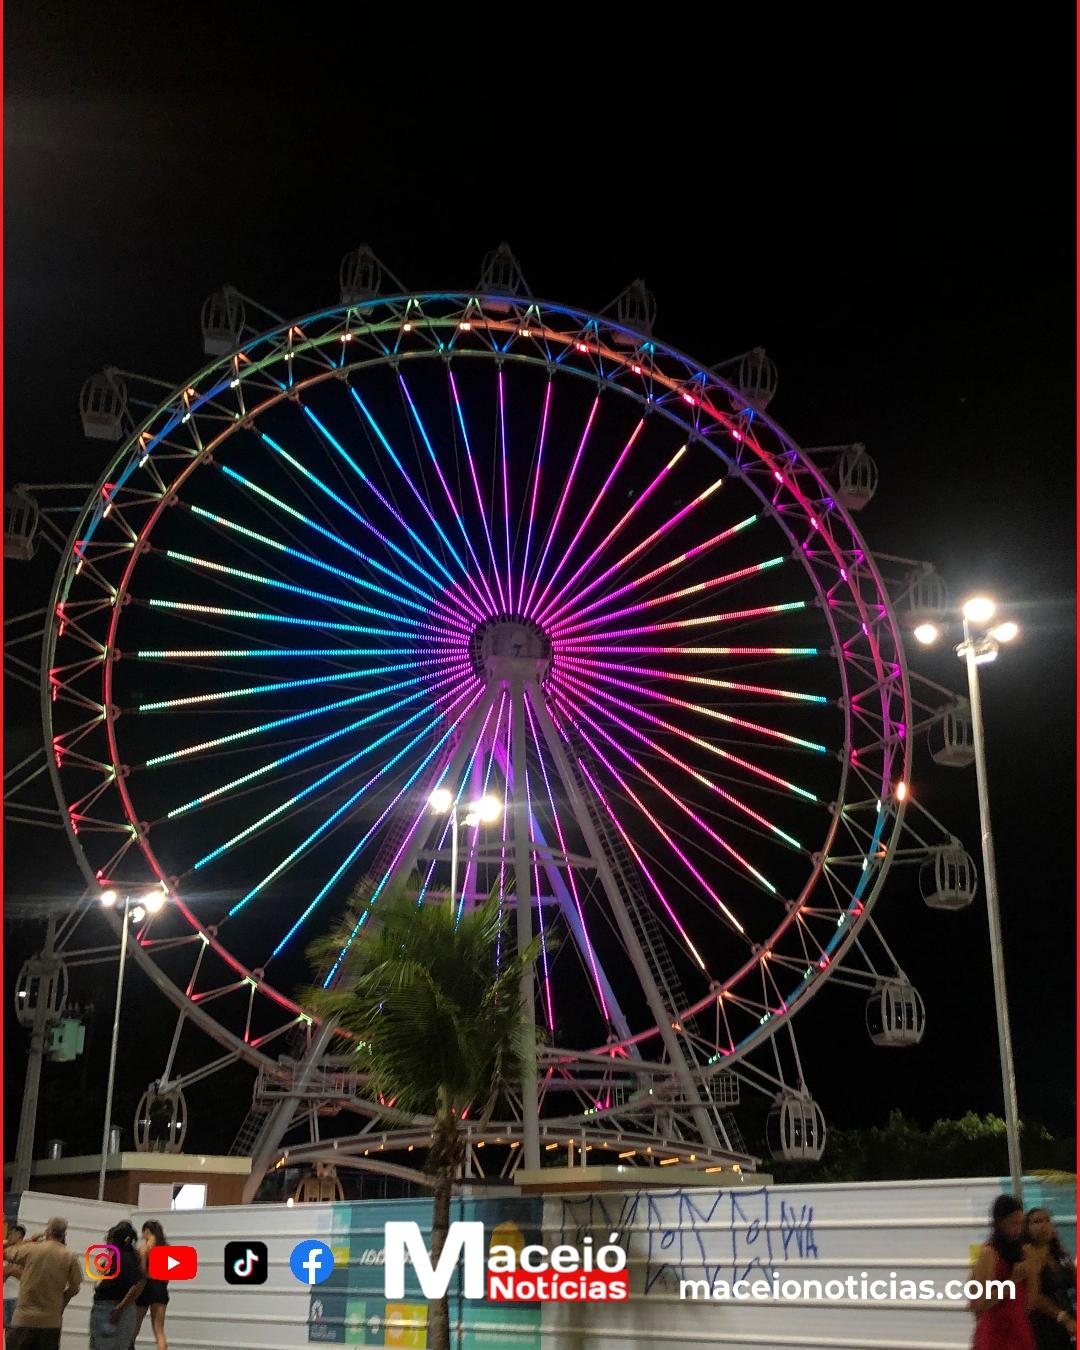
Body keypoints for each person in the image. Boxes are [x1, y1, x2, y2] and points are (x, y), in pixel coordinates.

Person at [970, 1194, 1037, 1350]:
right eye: (1013, 1223)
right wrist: (1012, 1281)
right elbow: (981, 1303)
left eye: (1021, 1224)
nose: (1018, 1230)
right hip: (996, 1331)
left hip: (1018, 1327)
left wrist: (1032, 1272)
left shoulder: (1023, 1251)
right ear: (1000, 1223)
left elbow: (1031, 1302)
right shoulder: (989, 1253)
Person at [4, 1216, 81, 1350]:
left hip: (24, 1320)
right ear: (64, 1234)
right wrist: (61, 1301)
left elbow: (7, 1253)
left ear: (48, 1231)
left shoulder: (31, 1249)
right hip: (51, 1323)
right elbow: (75, 1288)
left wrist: (31, 1240)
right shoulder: (70, 1256)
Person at [1024, 1208, 1077, 1348]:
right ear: (1027, 1228)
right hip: (1044, 1325)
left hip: (1069, 1322)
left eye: (1047, 1220)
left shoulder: (1059, 1254)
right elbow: (1034, 1296)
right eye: (1037, 1221)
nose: (1044, 1225)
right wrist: (1063, 1318)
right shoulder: (1028, 1254)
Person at [89, 1221, 144, 1350]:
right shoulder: (124, 1257)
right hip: (111, 1309)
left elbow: (138, 1284)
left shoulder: (123, 1258)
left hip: (111, 1309)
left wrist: (120, 1308)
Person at [134, 1221, 169, 1350]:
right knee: (159, 1330)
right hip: (160, 1287)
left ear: (147, 1231)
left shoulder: (144, 1248)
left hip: (145, 1286)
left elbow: (141, 1270)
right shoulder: (166, 1248)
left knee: (135, 1327)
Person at [3, 1225, 27, 1340]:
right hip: (5, 1296)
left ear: (18, 1235)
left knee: (15, 1331)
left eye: (11, 1234)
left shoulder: (25, 1252)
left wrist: (12, 1271)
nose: (9, 1236)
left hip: (16, 1296)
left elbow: (26, 1275)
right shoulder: (7, 1251)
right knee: (7, 1329)